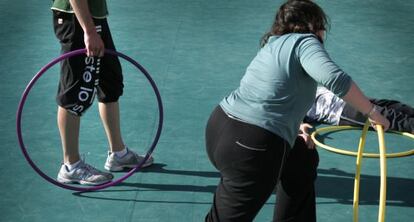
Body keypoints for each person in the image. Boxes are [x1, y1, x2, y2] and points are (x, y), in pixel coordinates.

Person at [204, 0, 390, 221]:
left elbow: (275, 90)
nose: (323, 32)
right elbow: (333, 77)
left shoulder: (274, 44)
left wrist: (296, 125)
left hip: (220, 127)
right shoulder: (305, 42)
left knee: (301, 159)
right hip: (252, 144)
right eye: (322, 25)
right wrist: (372, 112)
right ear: (312, 24)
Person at [51, 0, 153, 186]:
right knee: (75, 92)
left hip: (94, 17)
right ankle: (71, 166)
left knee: (110, 84)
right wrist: (89, 32)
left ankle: (118, 154)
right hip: (76, 19)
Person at [304, 86, 414, 133]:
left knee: (389, 108)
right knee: (387, 115)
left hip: (338, 98)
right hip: (336, 109)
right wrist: (300, 125)